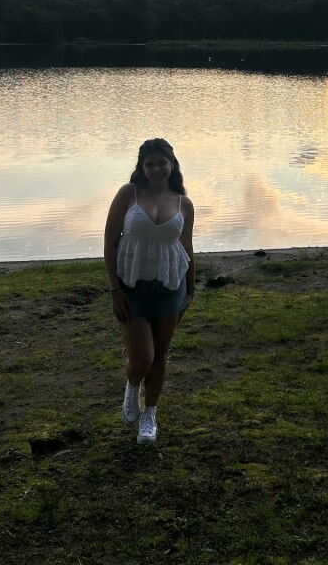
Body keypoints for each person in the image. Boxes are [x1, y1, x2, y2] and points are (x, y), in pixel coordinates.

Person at [103, 138, 195, 444]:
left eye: (161, 162)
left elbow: (186, 247)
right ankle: (133, 385)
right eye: (150, 164)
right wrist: (115, 289)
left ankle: (150, 416)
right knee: (142, 358)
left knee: (160, 355)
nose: (156, 168)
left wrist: (191, 288)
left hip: (171, 287)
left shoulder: (183, 203)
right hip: (132, 287)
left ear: (172, 165)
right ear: (142, 167)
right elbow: (110, 243)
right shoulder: (128, 194)